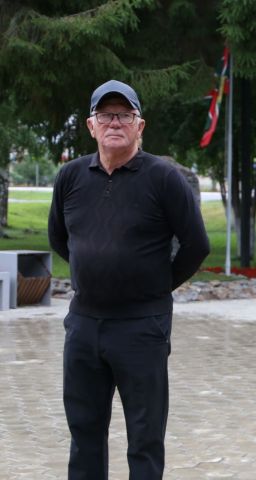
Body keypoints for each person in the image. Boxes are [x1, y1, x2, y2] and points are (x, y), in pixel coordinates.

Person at [48, 79, 210, 479]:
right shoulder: (70, 177)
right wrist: (98, 273)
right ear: (91, 125)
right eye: (106, 114)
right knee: (84, 432)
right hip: (84, 325)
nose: (114, 122)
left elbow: (196, 245)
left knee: (145, 437)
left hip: (142, 327)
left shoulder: (163, 178)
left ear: (140, 125)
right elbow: (60, 239)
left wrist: (155, 286)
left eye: (124, 114)